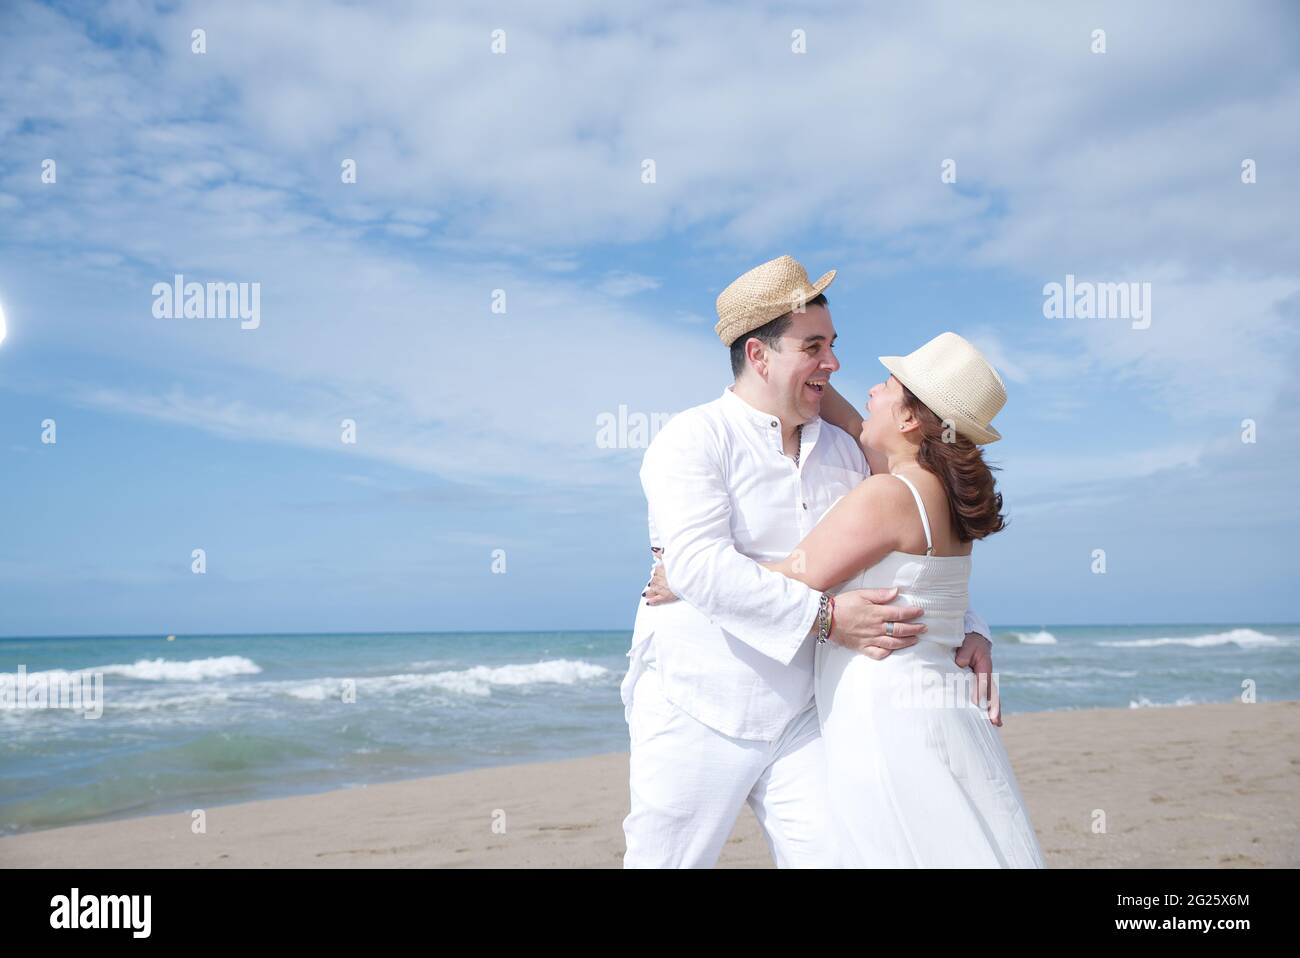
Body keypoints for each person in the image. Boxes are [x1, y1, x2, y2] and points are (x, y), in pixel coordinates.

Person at [621, 255, 996, 868]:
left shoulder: (849, 450)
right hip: (698, 705)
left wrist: (970, 625)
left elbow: (909, 543)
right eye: (814, 347)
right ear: (758, 356)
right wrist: (827, 617)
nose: (834, 363)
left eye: (833, 344)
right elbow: (700, 565)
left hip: (807, 715)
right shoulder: (692, 439)